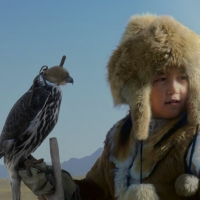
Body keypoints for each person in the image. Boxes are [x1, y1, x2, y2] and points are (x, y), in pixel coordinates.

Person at [18, 14, 200, 200]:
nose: (173, 89)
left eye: (182, 77)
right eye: (161, 78)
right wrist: (61, 187)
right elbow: (96, 189)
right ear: (136, 88)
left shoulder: (194, 140)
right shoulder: (119, 139)